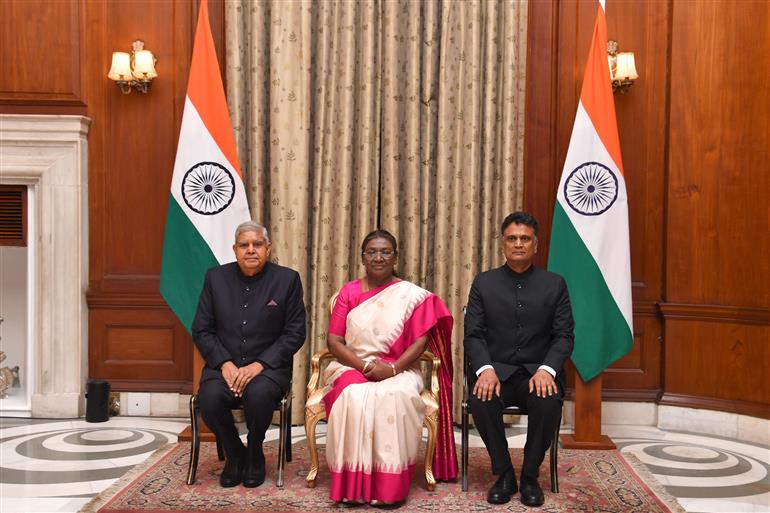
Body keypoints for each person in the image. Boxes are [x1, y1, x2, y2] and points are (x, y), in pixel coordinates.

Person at [323, 229, 457, 505]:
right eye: (372, 252)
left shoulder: (411, 296)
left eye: (385, 252)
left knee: (394, 397)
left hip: (400, 369)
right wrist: (364, 366)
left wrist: (392, 369)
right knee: (353, 398)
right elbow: (334, 342)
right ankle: (354, 486)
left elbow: (420, 343)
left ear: (395, 257)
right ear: (362, 257)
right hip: (352, 366)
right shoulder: (349, 292)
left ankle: (388, 489)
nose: (378, 257)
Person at [464, 211, 574, 507]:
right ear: (503, 245)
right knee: (481, 400)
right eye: (512, 239)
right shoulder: (484, 283)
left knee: (548, 401)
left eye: (525, 239)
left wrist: (548, 370)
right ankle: (503, 475)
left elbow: (564, 336)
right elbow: (472, 335)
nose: (518, 244)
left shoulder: (555, 284)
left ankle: (528, 476)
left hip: (537, 374)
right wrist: (485, 370)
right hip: (496, 373)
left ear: (536, 245)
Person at [192, 221, 306, 488]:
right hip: (224, 366)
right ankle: (235, 453)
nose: (251, 250)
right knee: (209, 400)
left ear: (268, 248)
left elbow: (295, 333)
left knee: (258, 395)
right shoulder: (215, 278)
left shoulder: (287, 280)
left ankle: (254, 452)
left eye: (257, 244)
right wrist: (224, 363)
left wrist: (260, 365)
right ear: (235, 249)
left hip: (269, 369)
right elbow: (201, 329)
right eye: (244, 245)